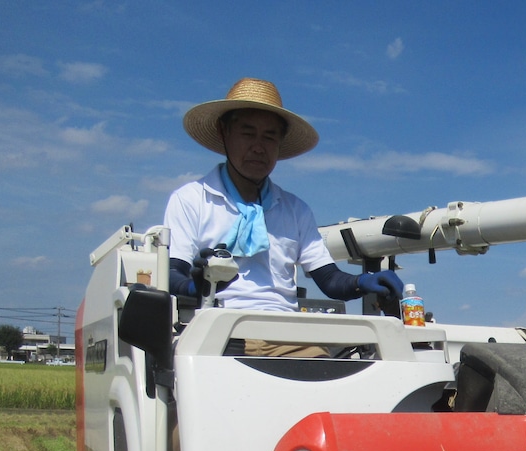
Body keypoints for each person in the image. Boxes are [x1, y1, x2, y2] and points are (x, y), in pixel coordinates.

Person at [164, 77, 401, 312]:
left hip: (285, 329)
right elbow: (172, 273)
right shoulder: (190, 200)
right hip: (216, 327)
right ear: (224, 132)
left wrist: (362, 281)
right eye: (248, 134)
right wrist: (196, 287)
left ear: (280, 142)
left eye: (269, 137)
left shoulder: (296, 210)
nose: (258, 147)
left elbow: (329, 279)